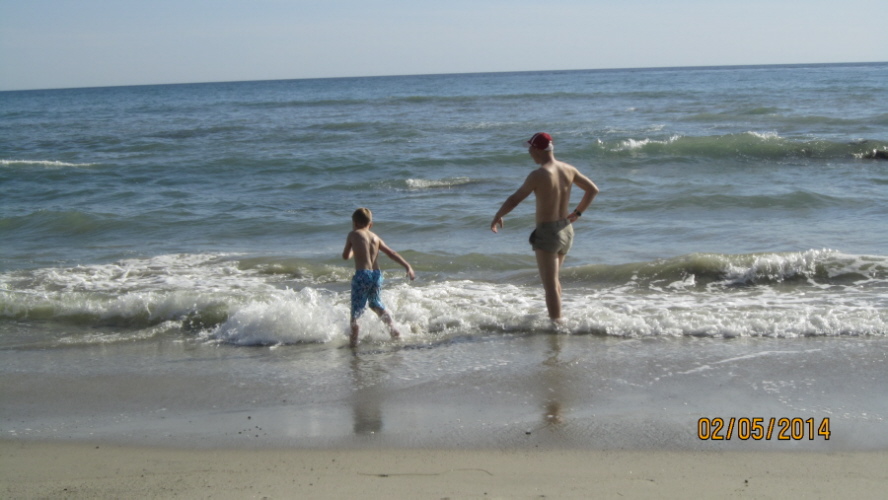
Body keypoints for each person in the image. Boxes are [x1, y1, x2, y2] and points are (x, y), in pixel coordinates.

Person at [490, 132, 599, 322]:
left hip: (548, 233)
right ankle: (558, 321)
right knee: (554, 282)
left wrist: (498, 215)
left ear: (538, 149)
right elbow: (592, 190)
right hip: (566, 230)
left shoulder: (539, 175)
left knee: (550, 286)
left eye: (531, 149)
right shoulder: (568, 169)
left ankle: (556, 326)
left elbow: (515, 199)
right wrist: (578, 212)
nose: (529, 153)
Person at [343, 207, 415, 347]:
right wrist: (408, 266)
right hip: (376, 275)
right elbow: (391, 253)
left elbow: (346, 256)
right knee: (376, 304)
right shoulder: (375, 237)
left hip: (362, 275)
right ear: (370, 224)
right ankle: (394, 330)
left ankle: (353, 344)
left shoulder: (353, 234)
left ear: (355, 223)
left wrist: (353, 251)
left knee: (356, 312)